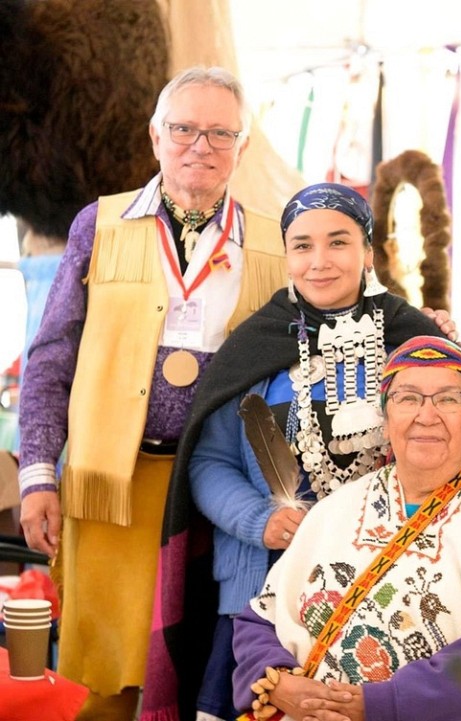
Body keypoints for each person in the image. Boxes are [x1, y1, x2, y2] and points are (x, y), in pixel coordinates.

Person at [15, 66, 287, 721]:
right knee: (101, 675)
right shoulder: (99, 224)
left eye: (220, 133)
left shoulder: (275, 243)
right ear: (155, 136)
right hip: (109, 486)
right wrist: (37, 473)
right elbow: (51, 356)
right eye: (184, 129)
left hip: (214, 494)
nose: (201, 146)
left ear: (243, 146)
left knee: (192, 668)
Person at [159, 182, 447, 720]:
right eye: (302, 245)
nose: (319, 261)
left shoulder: (414, 340)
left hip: (387, 583)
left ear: (368, 251)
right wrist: (260, 520)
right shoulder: (254, 343)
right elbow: (209, 461)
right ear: (286, 254)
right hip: (263, 585)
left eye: (338, 242)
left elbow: (452, 453)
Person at [231, 335, 461, 721]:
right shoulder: (336, 509)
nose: (427, 415)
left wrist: (380, 704)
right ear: (386, 422)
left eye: (448, 399)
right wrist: (278, 681)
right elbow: (261, 619)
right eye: (407, 398)